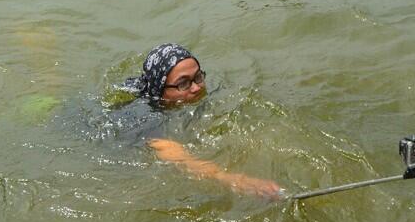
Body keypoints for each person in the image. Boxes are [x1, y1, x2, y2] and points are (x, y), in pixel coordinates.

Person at [36, 41, 283, 199]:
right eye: (183, 83)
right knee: (48, 94)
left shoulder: (200, 94)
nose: (197, 88)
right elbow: (176, 155)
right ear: (159, 91)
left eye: (198, 77)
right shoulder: (147, 118)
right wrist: (234, 180)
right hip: (61, 118)